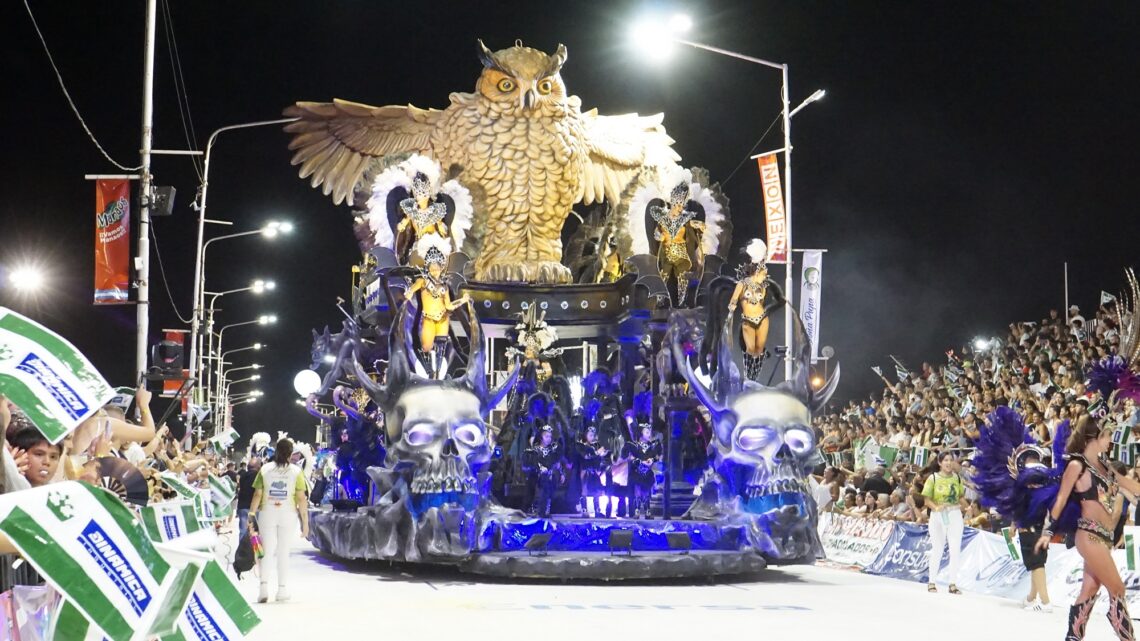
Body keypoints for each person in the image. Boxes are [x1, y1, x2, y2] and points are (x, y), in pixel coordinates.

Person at [1036, 416, 1140, 639]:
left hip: (1104, 538)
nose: (1111, 440)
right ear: (1095, 437)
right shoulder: (1077, 465)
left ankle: (1073, 637)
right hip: (1088, 535)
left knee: (1089, 590)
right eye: (1108, 435)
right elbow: (1061, 499)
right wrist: (1047, 532)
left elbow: (1129, 485)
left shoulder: (1105, 466)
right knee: (1118, 589)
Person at [249, 439, 309, 603]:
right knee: (283, 551)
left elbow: (257, 494)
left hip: (267, 512)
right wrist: (305, 522)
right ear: (290, 454)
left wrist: (251, 514)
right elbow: (301, 498)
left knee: (266, 551)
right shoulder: (296, 472)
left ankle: (263, 588)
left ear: (276, 451)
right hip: (288, 513)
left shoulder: (265, 469)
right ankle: (282, 590)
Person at [404, 234, 471, 377]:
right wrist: (408, 294)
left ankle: (437, 374)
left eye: (437, 268)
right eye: (432, 268)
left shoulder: (444, 286)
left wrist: (463, 301)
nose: (435, 271)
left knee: (441, 347)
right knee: (426, 347)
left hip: (442, 318)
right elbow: (412, 290)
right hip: (428, 318)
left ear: (441, 268)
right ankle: (429, 371)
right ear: (428, 268)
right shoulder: (422, 281)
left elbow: (449, 306)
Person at [727, 239, 770, 380]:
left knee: (759, 350)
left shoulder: (762, 286)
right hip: (748, 320)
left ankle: (755, 377)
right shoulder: (742, 284)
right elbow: (733, 299)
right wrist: (732, 306)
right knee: (750, 349)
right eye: (764, 273)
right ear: (756, 273)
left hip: (762, 318)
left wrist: (763, 257)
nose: (765, 275)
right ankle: (747, 376)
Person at [923, 452, 965, 594]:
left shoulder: (957, 478)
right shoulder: (933, 478)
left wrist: (969, 507)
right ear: (940, 463)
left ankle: (952, 584)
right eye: (945, 460)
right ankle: (931, 582)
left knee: (955, 549)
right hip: (938, 515)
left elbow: (960, 497)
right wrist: (935, 507)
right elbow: (926, 500)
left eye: (950, 460)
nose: (948, 463)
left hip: (954, 514)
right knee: (937, 549)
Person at [621, 422, 662, 519]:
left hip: (647, 473)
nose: (649, 434)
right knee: (638, 492)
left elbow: (657, 456)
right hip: (636, 472)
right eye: (647, 432)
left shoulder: (652, 445)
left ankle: (647, 511)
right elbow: (626, 457)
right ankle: (637, 511)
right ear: (640, 433)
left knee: (647, 492)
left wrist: (652, 460)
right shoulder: (633, 445)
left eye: (649, 432)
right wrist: (640, 461)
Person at [523, 426, 562, 518]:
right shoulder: (534, 450)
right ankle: (533, 508)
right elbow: (529, 464)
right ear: (541, 436)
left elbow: (557, 463)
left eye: (550, 436)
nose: (548, 439)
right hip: (536, 476)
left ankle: (544, 509)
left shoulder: (552, 450)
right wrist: (539, 468)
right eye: (546, 436)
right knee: (536, 484)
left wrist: (561, 473)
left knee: (547, 484)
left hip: (548, 478)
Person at [575, 425, 608, 518]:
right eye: (590, 435)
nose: (592, 437)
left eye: (593, 435)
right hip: (584, 470)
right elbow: (586, 456)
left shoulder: (596, 445)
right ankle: (584, 510)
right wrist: (597, 453)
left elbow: (599, 458)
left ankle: (597, 509)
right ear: (585, 435)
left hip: (594, 470)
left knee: (597, 490)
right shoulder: (581, 445)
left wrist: (601, 454)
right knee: (584, 490)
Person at [236, 457, 261, 542]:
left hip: (242, 506)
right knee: (255, 531)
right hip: (254, 507)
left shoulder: (243, 476)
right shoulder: (259, 476)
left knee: (243, 531)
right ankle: (254, 552)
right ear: (258, 466)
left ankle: (242, 552)